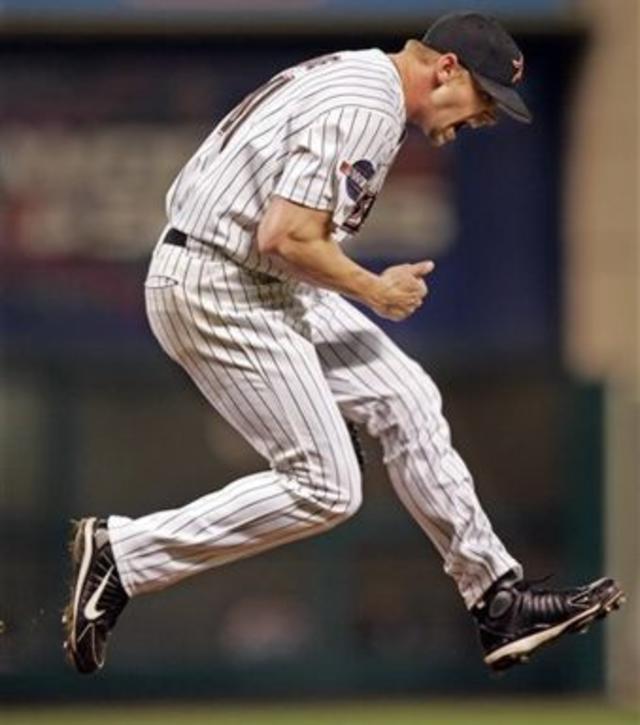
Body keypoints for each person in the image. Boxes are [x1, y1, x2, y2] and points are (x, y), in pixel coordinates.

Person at [63, 12, 624, 675]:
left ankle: (496, 597)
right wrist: (375, 291)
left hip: (256, 279)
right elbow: (288, 236)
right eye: (485, 98)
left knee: (406, 397)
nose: (484, 118)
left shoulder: (362, 77)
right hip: (219, 283)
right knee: (327, 488)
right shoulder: (368, 101)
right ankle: (125, 554)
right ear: (446, 68)